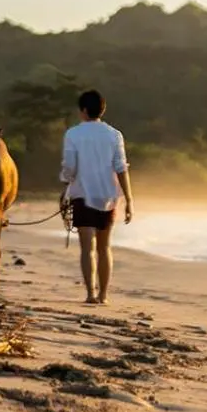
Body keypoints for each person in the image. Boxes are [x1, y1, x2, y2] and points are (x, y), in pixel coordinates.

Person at [58, 88, 133, 306]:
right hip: (108, 196)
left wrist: (66, 183)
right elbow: (121, 168)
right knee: (104, 247)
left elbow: (69, 167)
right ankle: (104, 295)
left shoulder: (73, 134)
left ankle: (91, 293)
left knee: (87, 248)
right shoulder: (114, 134)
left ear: (82, 110)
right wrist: (129, 199)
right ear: (102, 109)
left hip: (82, 194)